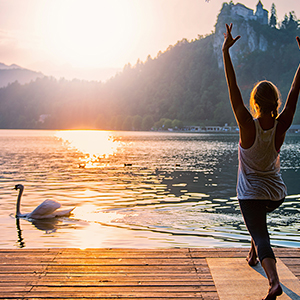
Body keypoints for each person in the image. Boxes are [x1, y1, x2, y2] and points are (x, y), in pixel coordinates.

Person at [222, 23, 300, 300]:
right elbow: (294, 91)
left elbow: (232, 87)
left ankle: (274, 282)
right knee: (257, 225)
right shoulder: (281, 125)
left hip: (252, 195)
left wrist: (225, 52)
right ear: (275, 103)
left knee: (261, 232)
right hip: (276, 194)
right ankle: (253, 252)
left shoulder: (246, 124)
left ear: (254, 102)